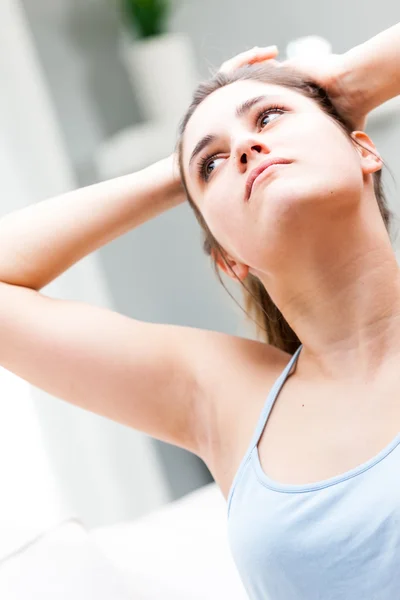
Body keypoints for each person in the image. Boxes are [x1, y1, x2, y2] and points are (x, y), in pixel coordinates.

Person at [0, 20, 399, 600]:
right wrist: (170, 175)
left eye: (269, 118)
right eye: (212, 164)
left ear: (364, 149)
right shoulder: (226, 399)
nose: (243, 146)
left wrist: (348, 78)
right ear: (228, 258)